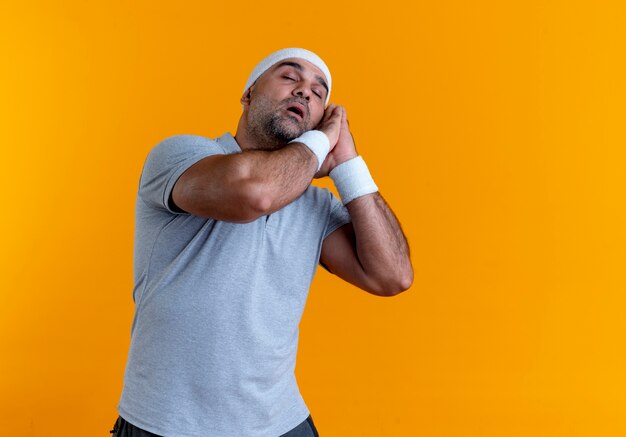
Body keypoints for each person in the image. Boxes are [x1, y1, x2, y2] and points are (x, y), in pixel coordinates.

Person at [111, 47, 413, 437]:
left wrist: (350, 164)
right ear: (248, 94)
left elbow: (392, 276)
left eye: (319, 93)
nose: (305, 92)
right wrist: (322, 140)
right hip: (167, 424)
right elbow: (254, 193)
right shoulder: (183, 156)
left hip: (281, 425)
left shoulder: (315, 205)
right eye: (290, 77)